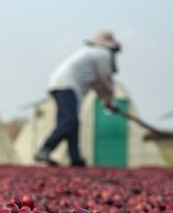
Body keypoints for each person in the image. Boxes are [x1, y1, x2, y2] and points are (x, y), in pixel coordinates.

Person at [34, 30, 121, 167]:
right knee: (70, 120)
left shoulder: (90, 53)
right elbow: (105, 80)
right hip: (67, 85)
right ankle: (46, 148)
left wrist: (107, 101)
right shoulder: (102, 54)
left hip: (58, 84)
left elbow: (98, 84)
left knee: (71, 123)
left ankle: (75, 158)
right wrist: (109, 101)